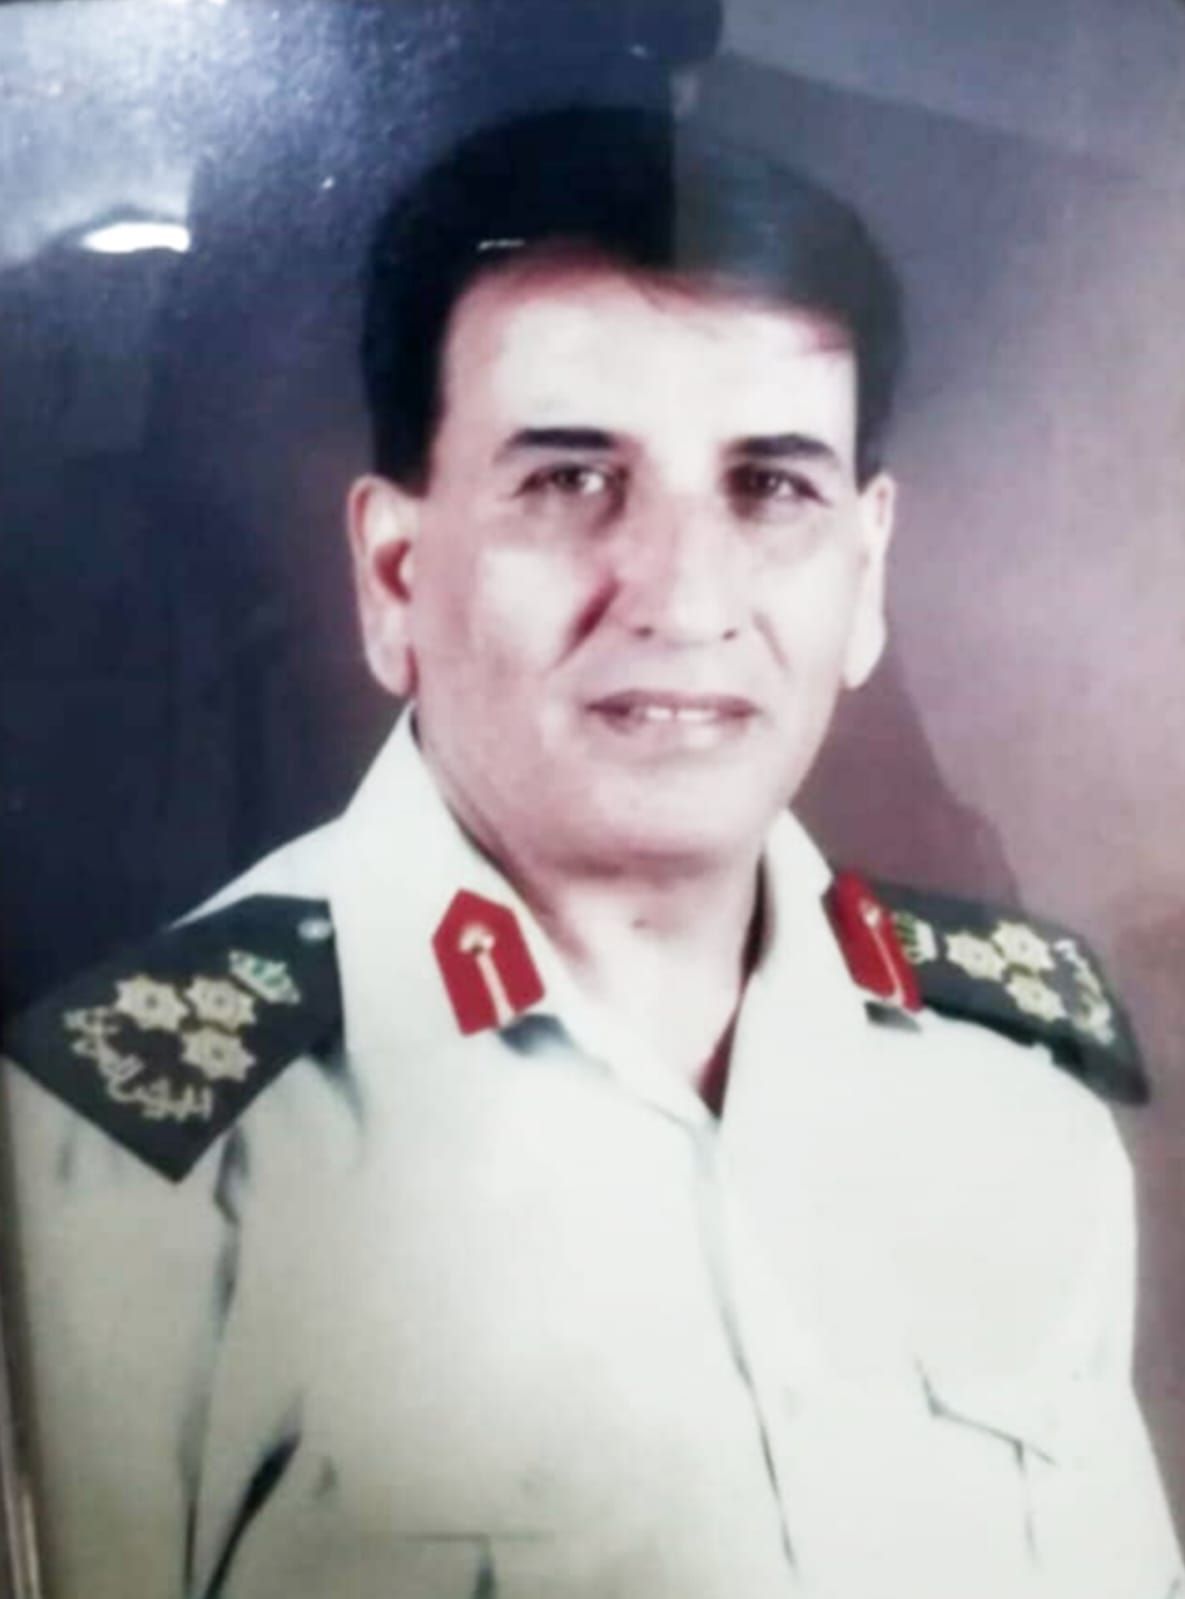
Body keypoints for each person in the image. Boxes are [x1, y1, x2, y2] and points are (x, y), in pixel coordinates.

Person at [2, 107, 1180, 1599]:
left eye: (771, 486)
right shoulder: (122, 1160)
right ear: (395, 575)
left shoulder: (1015, 1099)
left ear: (866, 572)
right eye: (569, 480)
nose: (683, 599)